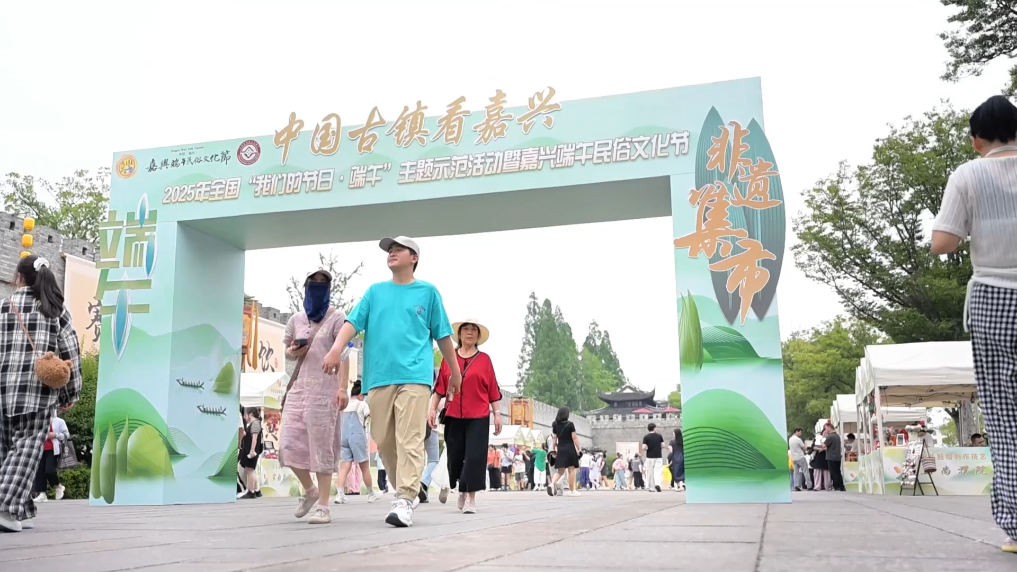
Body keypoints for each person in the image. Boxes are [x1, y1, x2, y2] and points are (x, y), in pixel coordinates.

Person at [322, 236, 461, 528]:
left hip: (415, 377)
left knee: (409, 438)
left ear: (414, 258)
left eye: (399, 249)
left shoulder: (428, 293)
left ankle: (405, 498)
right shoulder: (375, 292)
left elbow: (443, 335)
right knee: (384, 440)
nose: (392, 253)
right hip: (379, 377)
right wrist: (336, 349)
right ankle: (407, 491)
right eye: (390, 250)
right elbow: (352, 323)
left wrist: (455, 372)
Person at [932, 97, 1017, 553]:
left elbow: (944, 242)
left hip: (994, 297)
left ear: (976, 140)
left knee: (1004, 416)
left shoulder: (968, 174)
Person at [0, 255, 83, 532]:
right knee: (26, 448)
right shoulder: (55, 310)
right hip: (37, 391)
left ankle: (21, 509)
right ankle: (5, 508)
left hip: (2, 389)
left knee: (6, 450)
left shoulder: (3, 306)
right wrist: (71, 393)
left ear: (19, 277)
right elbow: (71, 354)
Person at [279, 269, 350, 525]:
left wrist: (343, 388)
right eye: (314, 282)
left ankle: (324, 507)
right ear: (306, 286)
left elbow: (344, 353)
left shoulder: (337, 318)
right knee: (287, 445)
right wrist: (294, 350)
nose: (318, 286)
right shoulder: (295, 319)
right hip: (298, 389)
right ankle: (310, 490)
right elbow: (286, 352)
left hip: (324, 391)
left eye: (323, 283)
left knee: (321, 448)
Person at [431, 318, 503, 513]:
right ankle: (461, 487)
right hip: (453, 415)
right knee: (454, 457)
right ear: (459, 334)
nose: (469, 332)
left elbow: (493, 389)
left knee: (474, 456)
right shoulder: (449, 358)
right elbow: (440, 387)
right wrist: (432, 409)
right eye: (466, 329)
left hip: (478, 416)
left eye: (473, 330)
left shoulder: (485, 360)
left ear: (478, 336)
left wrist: (497, 414)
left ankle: (471, 498)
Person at [334, 381, 380, 505]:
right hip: (357, 437)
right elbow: (371, 417)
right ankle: (371, 493)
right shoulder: (362, 404)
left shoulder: (345, 404)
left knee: (344, 467)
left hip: (344, 437)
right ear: (360, 395)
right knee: (364, 467)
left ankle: (340, 494)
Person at [31, 414, 70, 503]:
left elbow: (67, 435)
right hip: (39, 449)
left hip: (53, 450)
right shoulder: (38, 421)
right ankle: (42, 494)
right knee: (39, 472)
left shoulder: (59, 421)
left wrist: (55, 435)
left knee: (49, 471)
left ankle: (58, 486)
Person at [548, 406, 582, 497]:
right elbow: (574, 437)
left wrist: (553, 449)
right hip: (570, 449)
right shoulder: (570, 424)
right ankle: (572, 490)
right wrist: (579, 448)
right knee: (571, 470)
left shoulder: (555, 424)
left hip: (560, 449)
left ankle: (552, 484)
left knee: (560, 471)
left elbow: (554, 438)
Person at [239, 408, 263, 499]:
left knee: (250, 470)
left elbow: (254, 438)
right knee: (251, 470)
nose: (245, 417)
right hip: (251, 450)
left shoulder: (255, 423)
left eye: (246, 415)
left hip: (252, 451)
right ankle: (256, 490)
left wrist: (252, 450)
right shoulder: (255, 424)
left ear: (250, 414)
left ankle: (251, 491)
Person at [641, 423, 665, 492]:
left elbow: (643, 447)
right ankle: (657, 484)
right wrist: (658, 448)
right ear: (654, 428)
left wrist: (647, 448)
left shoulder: (646, 437)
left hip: (649, 457)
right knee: (658, 471)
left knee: (650, 472)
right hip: (658, 456)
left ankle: (651, 488)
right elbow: (663, 445)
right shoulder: (659, 436)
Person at [822, 423, 844, 491]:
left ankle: (836, 486)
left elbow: (824, 445)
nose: (825, 430)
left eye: (826, 428)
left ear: (829, 427)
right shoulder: (837, 436)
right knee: (838, 471)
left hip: (831, 456)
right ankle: (841, 486)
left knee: (833, 472)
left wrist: (823, 438)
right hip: (837, 456)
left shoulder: (830, 437)